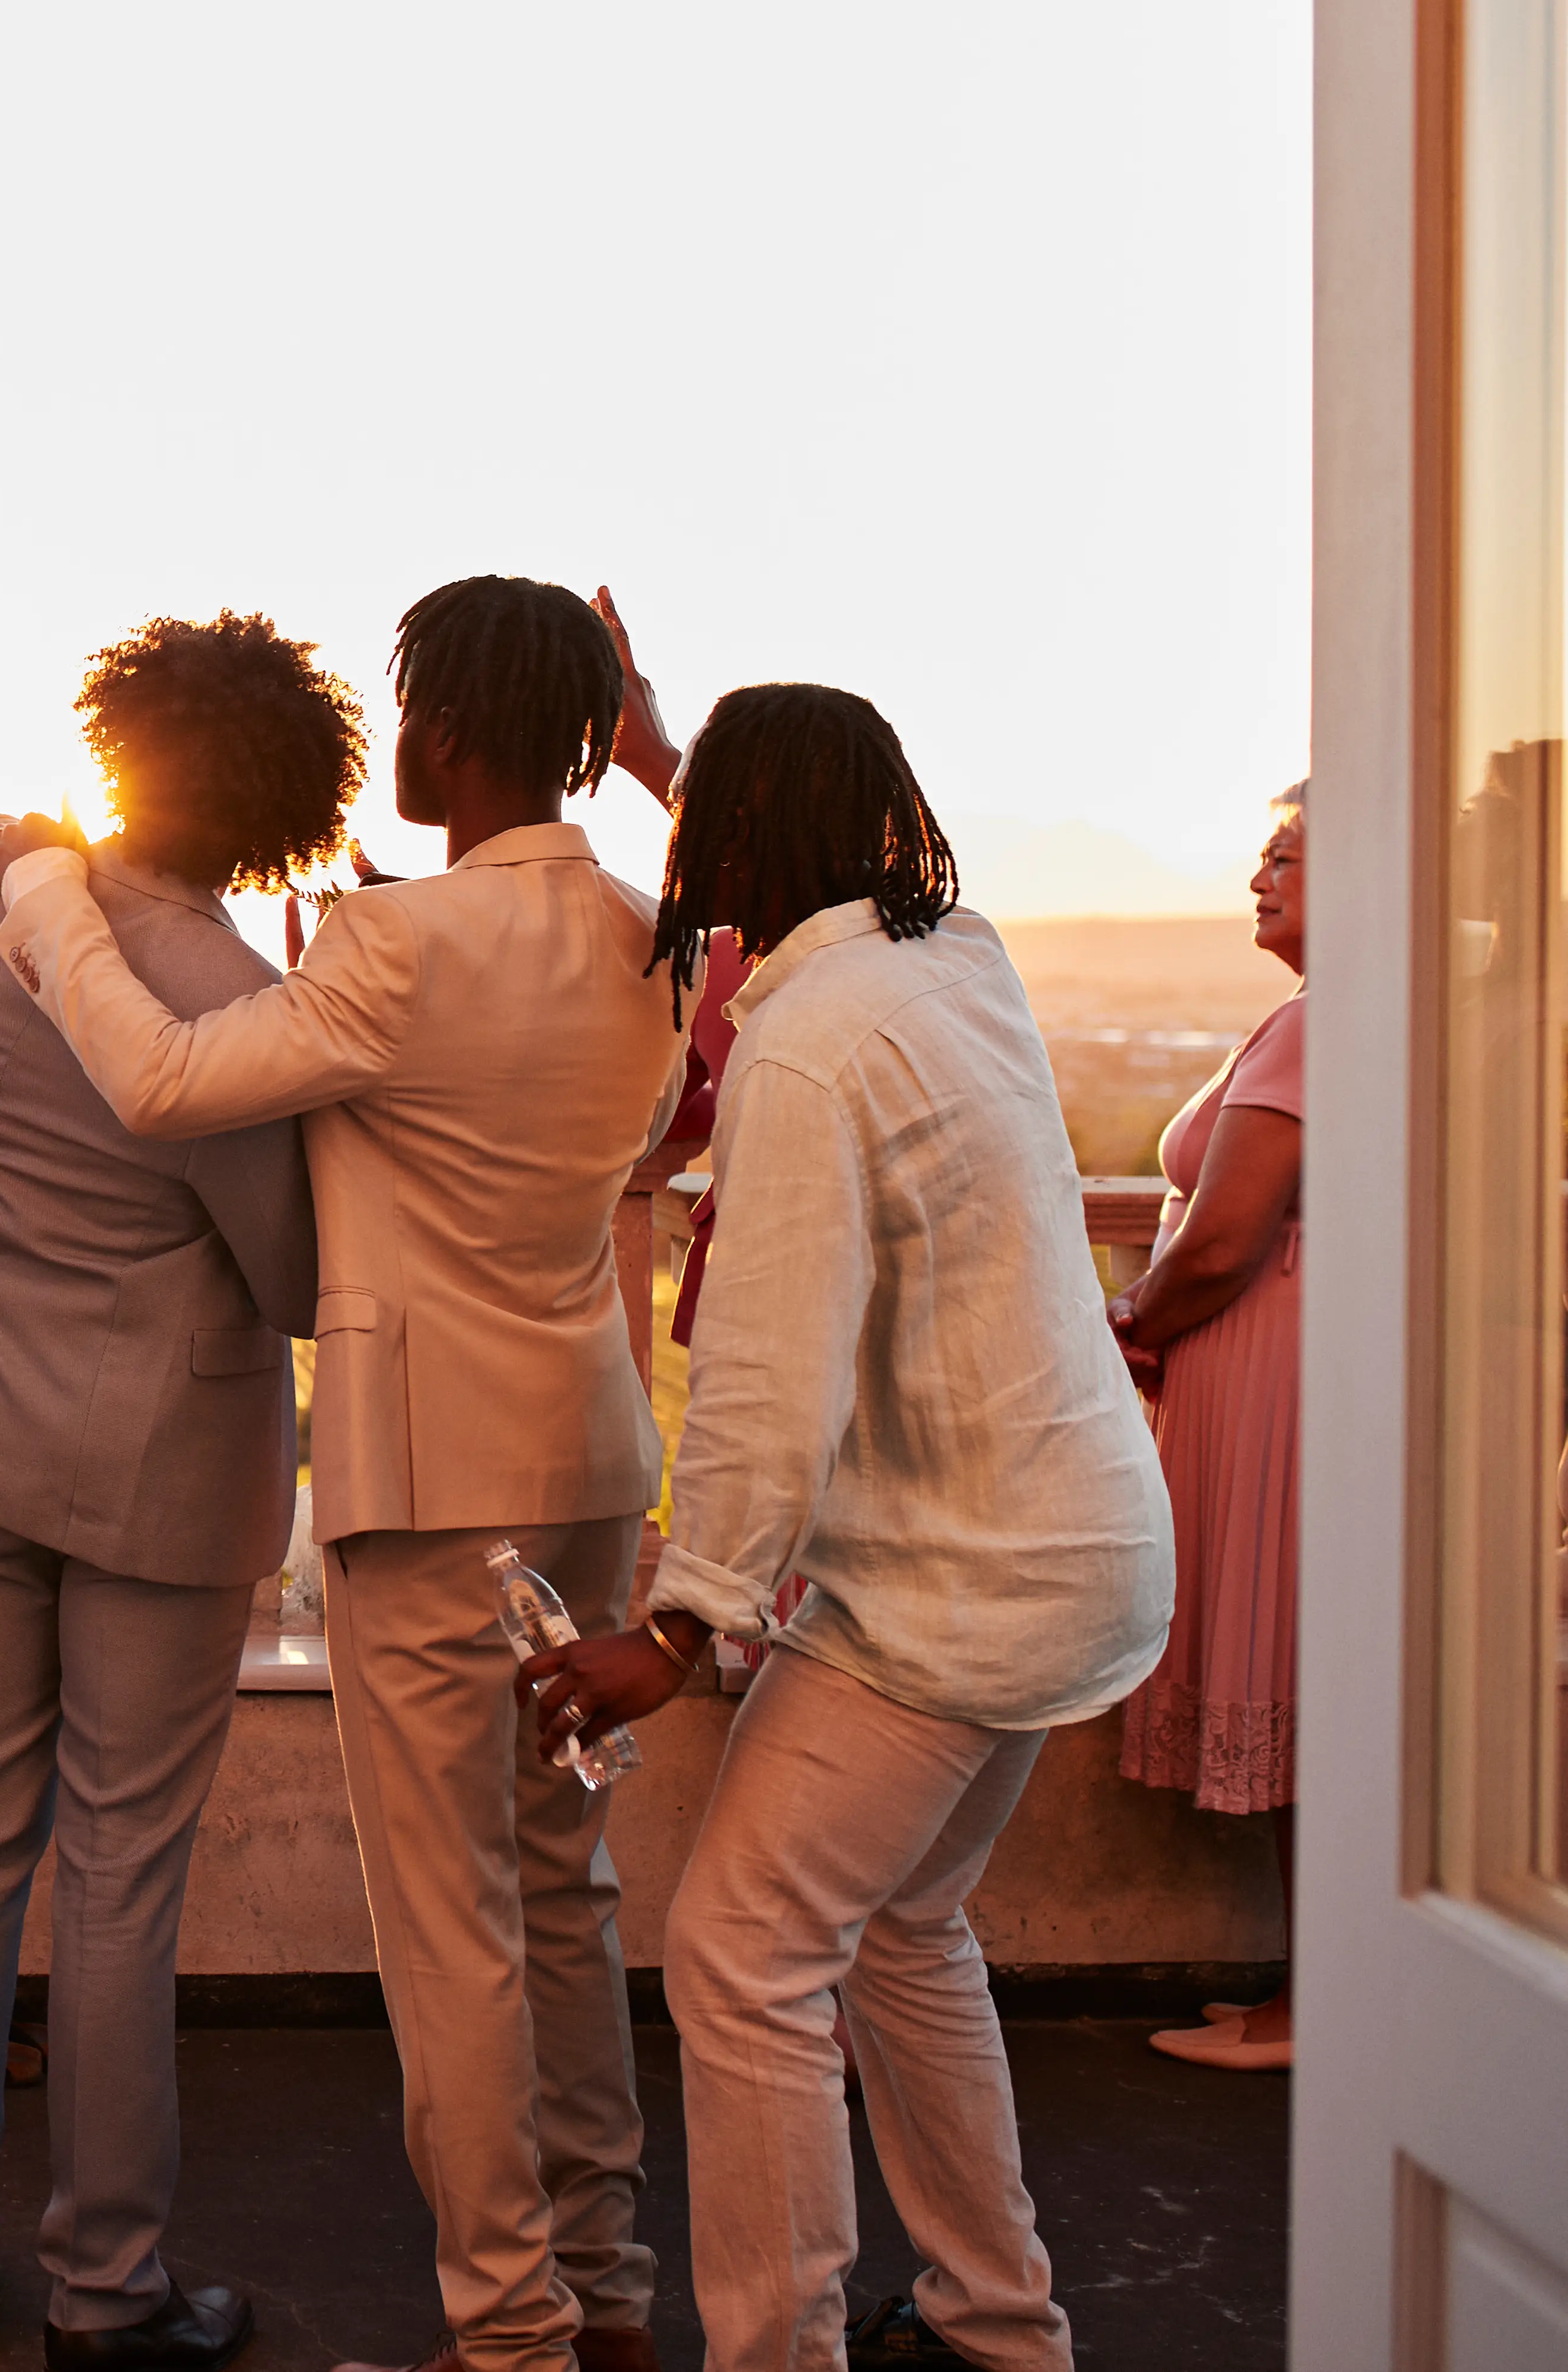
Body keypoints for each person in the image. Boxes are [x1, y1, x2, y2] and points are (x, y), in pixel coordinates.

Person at [0, 577, 687, 2372]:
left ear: (439, 734)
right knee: (561, 1886)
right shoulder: (645, 933)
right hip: (588, 1456)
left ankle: (506, 2329)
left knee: (446, 1929)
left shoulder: (395, 949)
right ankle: (603, 2291)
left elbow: (154, 1080)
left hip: (423, 1481)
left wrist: (56, 893)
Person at [522, 684, 1172, 2372]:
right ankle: (995, 2325)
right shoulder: (956, 962)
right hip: (1079, 1542)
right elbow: (798, 862)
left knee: (737, 1958)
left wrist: (674, 1628)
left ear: (727, 840)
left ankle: (778, 2353)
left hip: (956, 1588)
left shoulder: (805, 1048)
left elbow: (766, 1374)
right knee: (900, 1924)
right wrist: (679, 753)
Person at [0, 611, 353, 2371]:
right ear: (285, 809)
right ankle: (104, 2288)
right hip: (156, 1473)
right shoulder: (230, 1003)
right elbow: (293, 1278)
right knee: (120, 1875)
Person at [1108, 781, 1308, 2071]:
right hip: (1272, 1371)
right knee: (1298, 1673)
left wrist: (1121, 1322)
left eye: (1286, 855)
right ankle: (1309, 1989)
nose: (1257, 872)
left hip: (1274, 1373)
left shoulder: (1311, 1025)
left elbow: (1225, 1235)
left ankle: (1319, 2007)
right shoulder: (1320, 1017)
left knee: (1297, 1675)